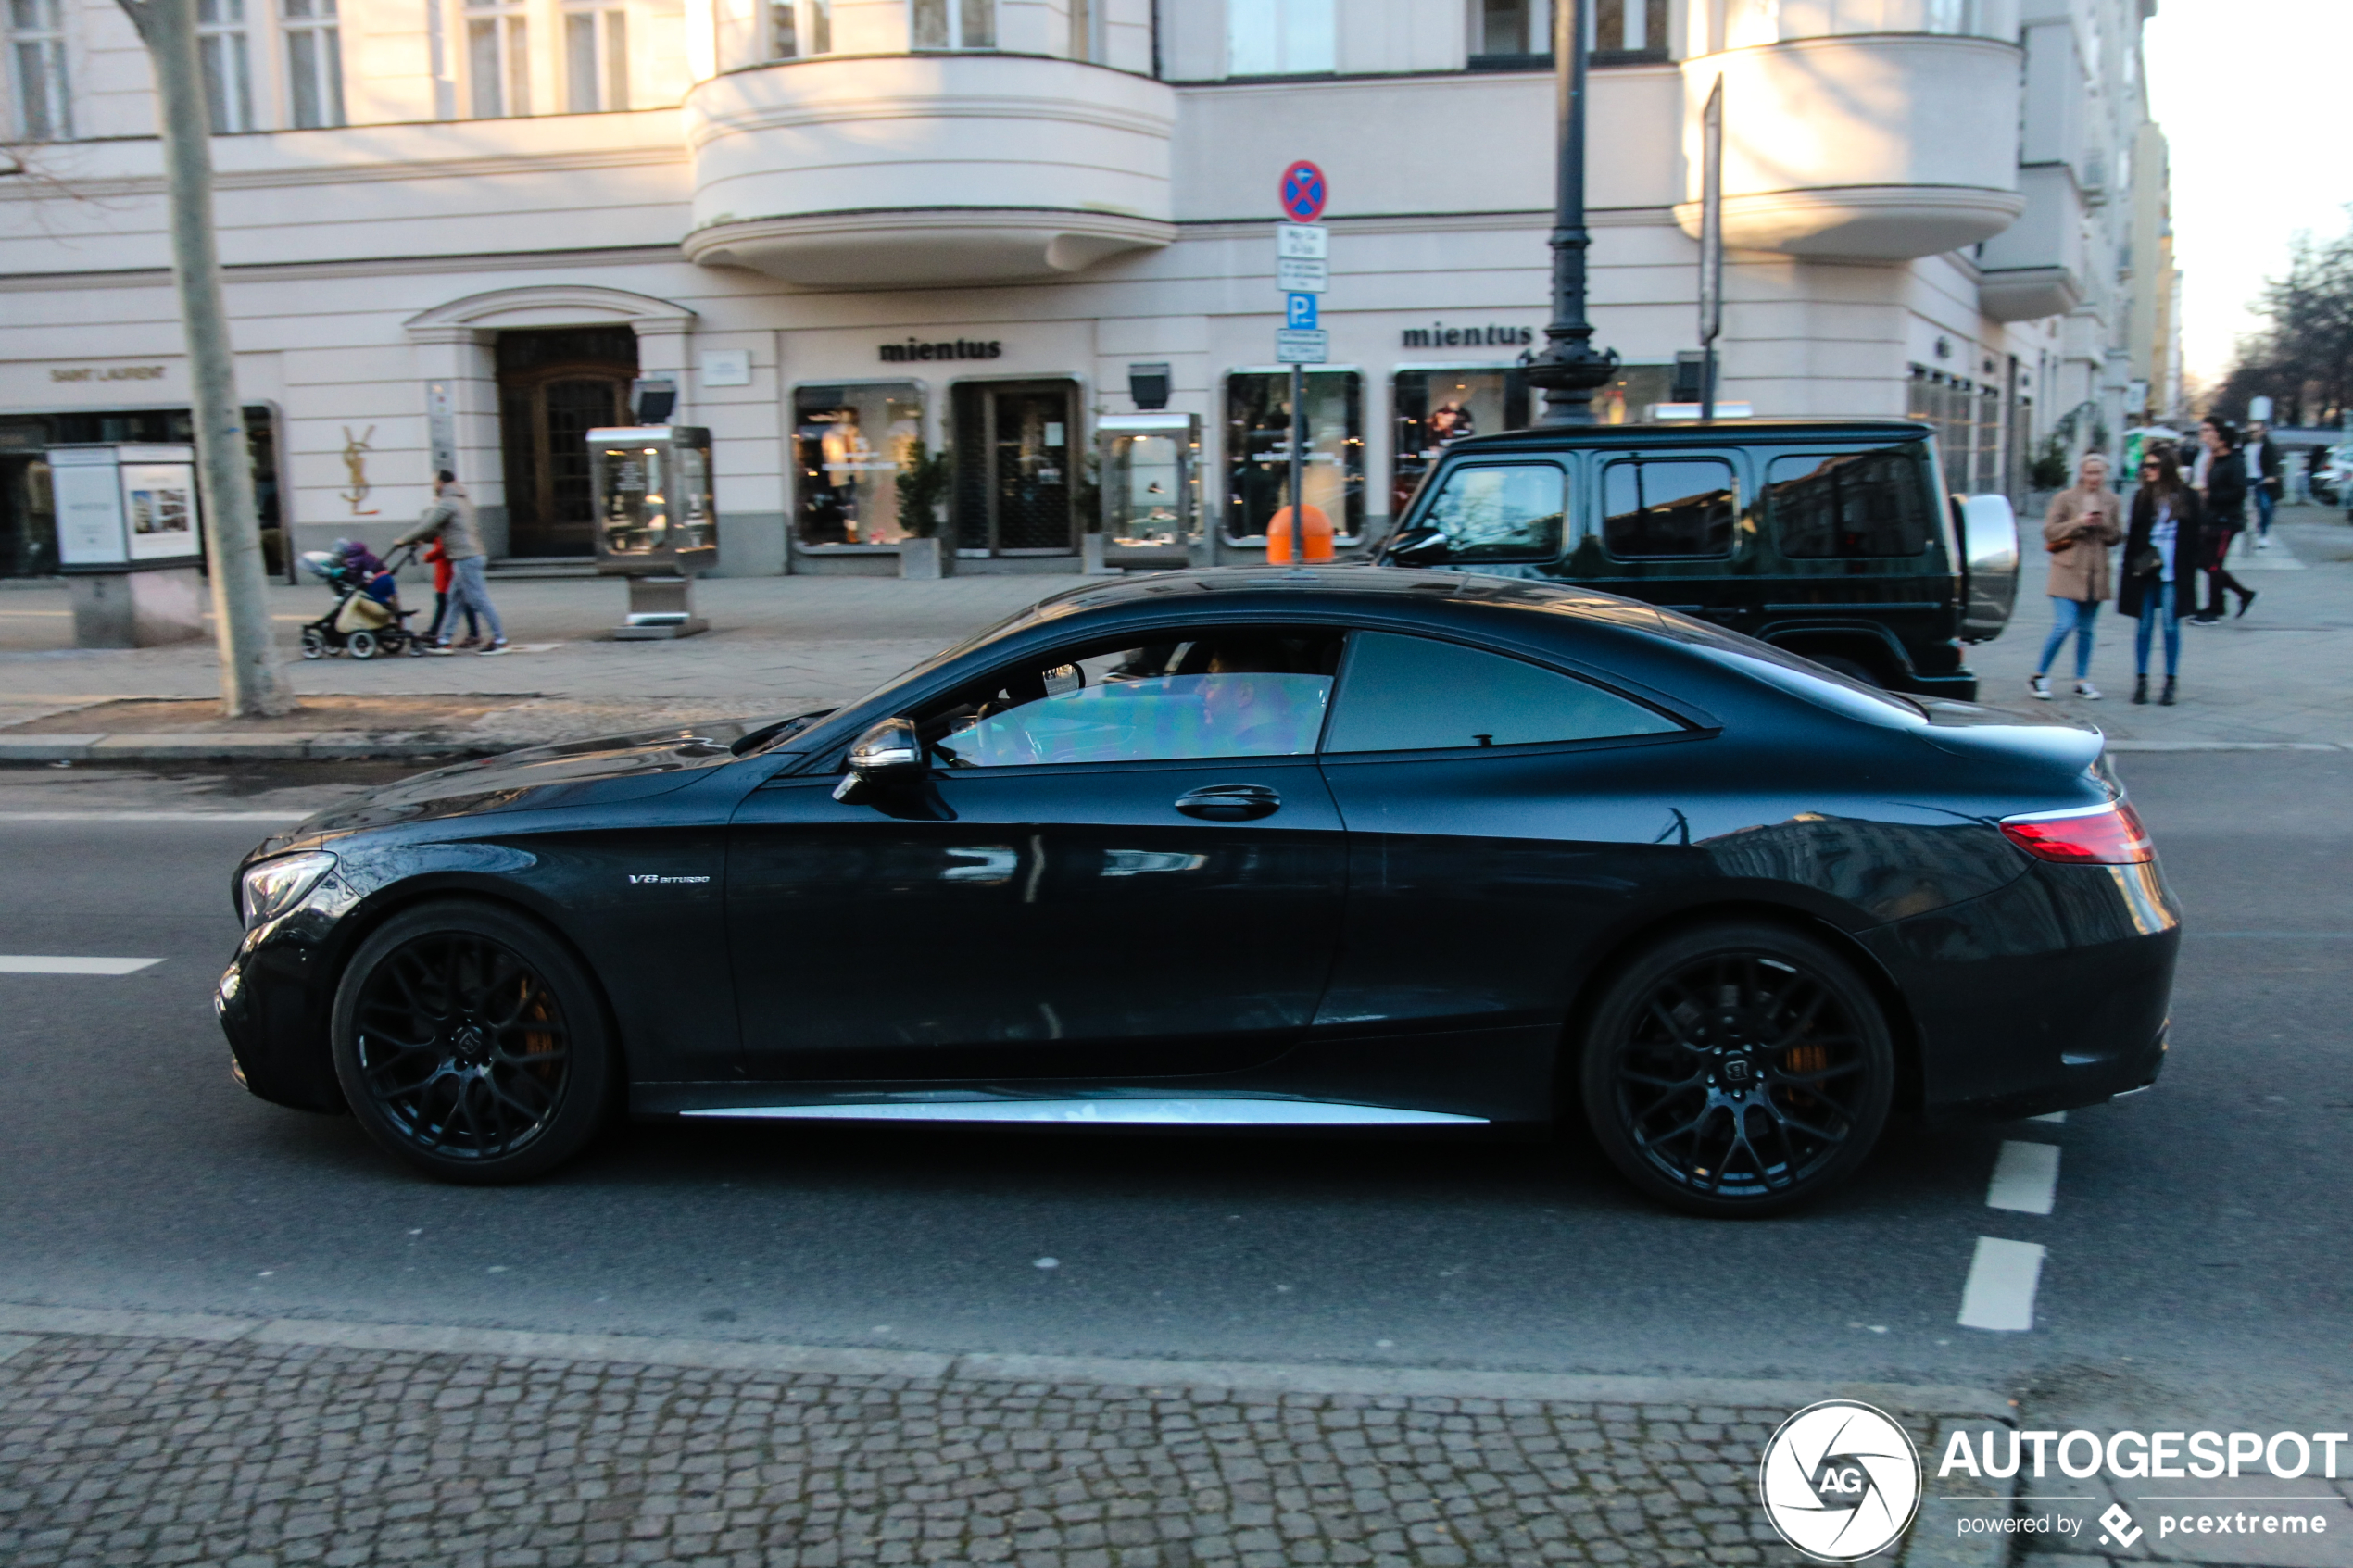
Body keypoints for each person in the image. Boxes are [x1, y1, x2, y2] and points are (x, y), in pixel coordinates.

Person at [2031, 452, 2122, 700]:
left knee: (2086, 630)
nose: (2095, 477)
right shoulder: (2065, 498)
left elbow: (2116, 536)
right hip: (2067, 571)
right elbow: (2050, 532)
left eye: (2099, 473)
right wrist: (2078, 522)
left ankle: (2082, 679)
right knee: (2064, 624)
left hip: (2096, 572)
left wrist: (2102, 525)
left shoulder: (2112, 500)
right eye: (2090, 472)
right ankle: (2040, 675)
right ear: (2082, 473)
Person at [2120, 447, 2203, 706]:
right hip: (2146, 570)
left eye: (2154, 466)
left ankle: (2170, 681)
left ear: (2167, 467)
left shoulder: (2187, 497)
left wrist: (2192, 568)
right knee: (2144, 626)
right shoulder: (2141, 497)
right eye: (2146, 465)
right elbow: (2133, 537)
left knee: (2169, 625)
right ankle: (2141, 679)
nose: (2148, 470)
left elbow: (2195, 536)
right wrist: (2131, 569)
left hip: (2173, 571)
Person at [397, 470, 507, 655]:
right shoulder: (463, 500)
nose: (433, 485)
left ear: (441, 483)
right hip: (470, 555)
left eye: (434, 481)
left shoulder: (447, 502)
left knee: (479, 599)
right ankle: (445, 640)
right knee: (454, 599)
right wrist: (423, 540)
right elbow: (446, 529)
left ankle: (500, 639)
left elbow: (428, 524)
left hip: (466, 557)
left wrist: (403, 540)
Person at [2192, 419, 2255, 622]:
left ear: (2223, 441)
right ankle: (2244, 594)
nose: (2209, 439)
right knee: (2205, 562)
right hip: (2212, 519)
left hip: (2227, 521)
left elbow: (2238, 492)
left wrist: (2209, 496)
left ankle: (2215, 609)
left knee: (2213, 565)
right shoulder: (2215, 460)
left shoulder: (2234, 462)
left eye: (2214, 436)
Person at [2241, 419, 2282, 545]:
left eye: (2256, 431)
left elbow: (2274, 464)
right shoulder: (2245, 445)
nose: (2253, 434)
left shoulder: (2268, 446)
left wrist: (2272, 476)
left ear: (2263, 431)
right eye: (2251, 431)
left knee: (2265, 506)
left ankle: (2263, 534)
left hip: (2261, 480)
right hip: (2246, 479)